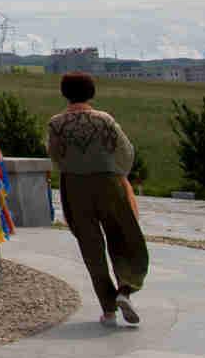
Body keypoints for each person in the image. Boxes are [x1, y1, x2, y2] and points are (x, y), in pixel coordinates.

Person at [44, 73, 146, 325]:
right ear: (91, 92)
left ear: (64, 93)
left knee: (91, 247)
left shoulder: (55, 124)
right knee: (124, 237)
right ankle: (125, 288)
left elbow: (55, 155)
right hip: (109, 182)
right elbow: (126, 152)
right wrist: (119, 174)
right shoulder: (105, 120)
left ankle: (108, 309)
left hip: (75, 185)